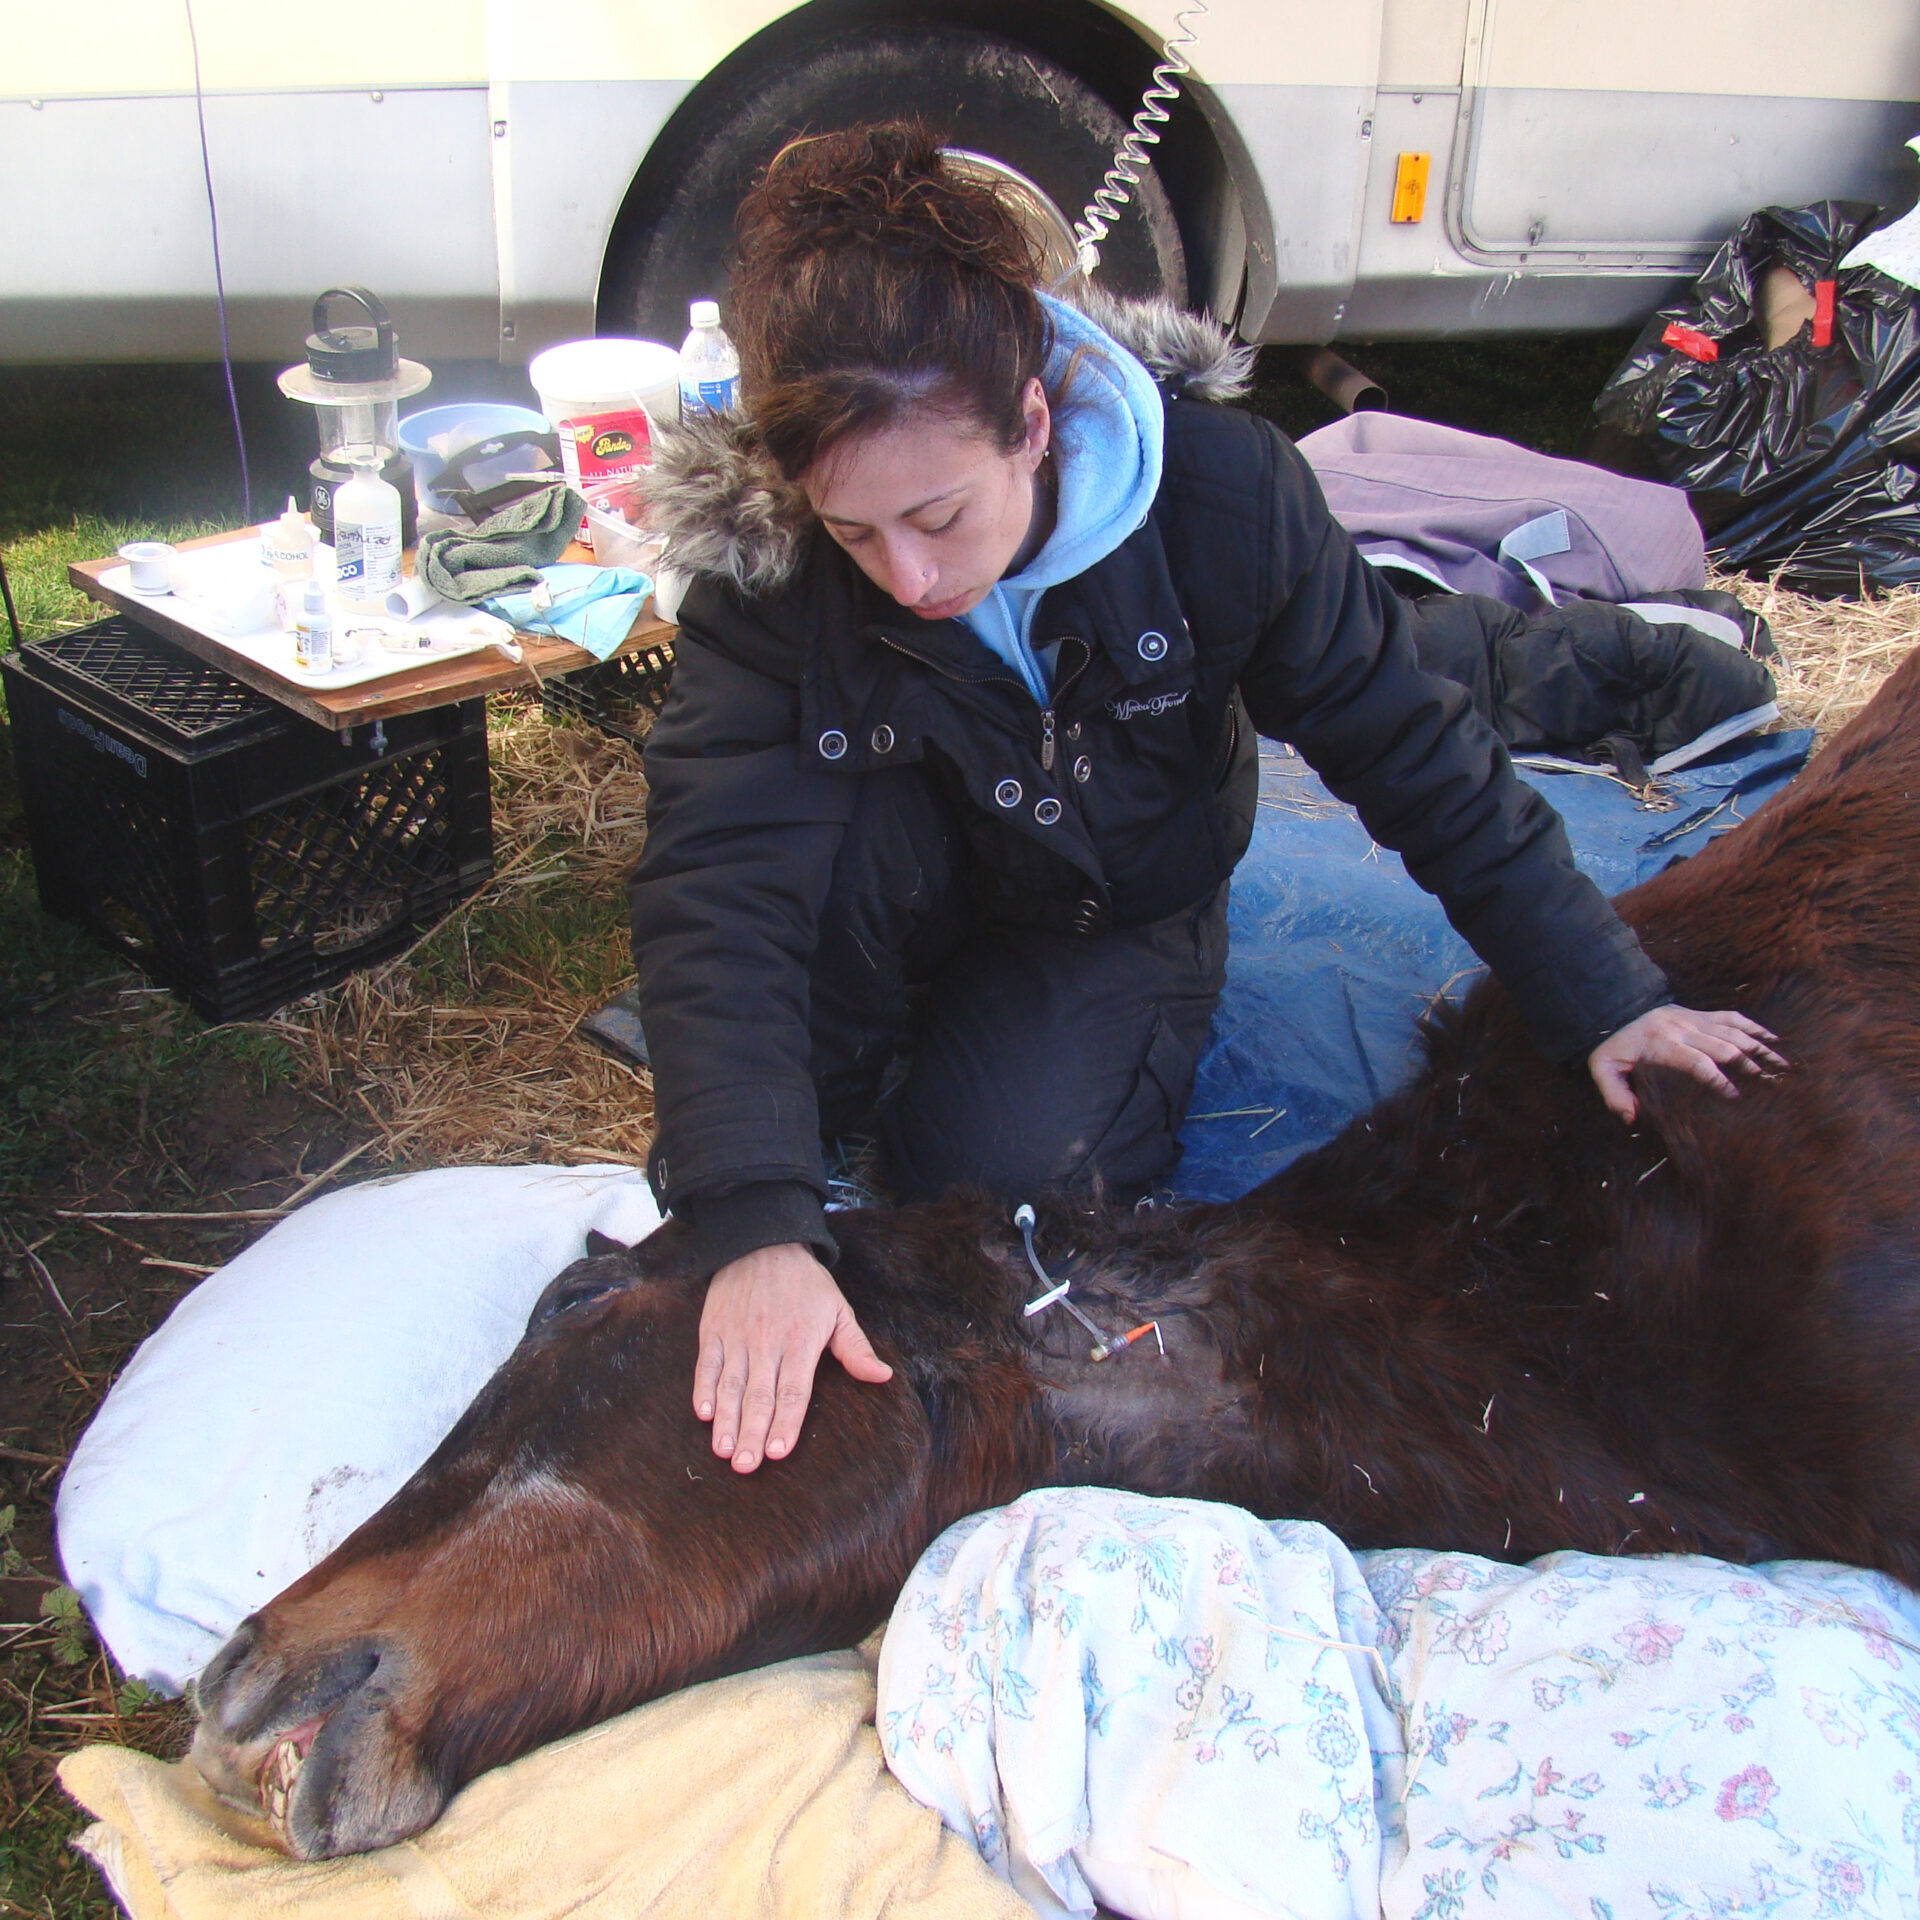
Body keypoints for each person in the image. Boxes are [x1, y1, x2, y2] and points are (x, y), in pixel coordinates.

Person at [628, 122, 1783, 1478]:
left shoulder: (1222, 496)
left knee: (994, 1193)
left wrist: (1606, 992)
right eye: (853, 532)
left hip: (1104, 899)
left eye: (938, 518)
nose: (907, 576)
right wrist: (752, 1218)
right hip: (895, 887)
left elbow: (1411, 747)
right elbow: (722, 879)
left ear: (1035, 425)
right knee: (768, 1144)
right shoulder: (768, 573)